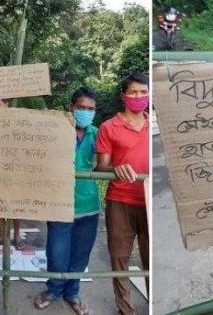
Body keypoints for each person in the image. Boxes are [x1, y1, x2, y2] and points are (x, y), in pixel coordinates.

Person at [34, 87, 100, 315]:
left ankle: (72, 292)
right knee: (56, 253)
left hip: (88, 205)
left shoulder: (97, 133)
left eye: (90, 109)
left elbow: (103, 166)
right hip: (59, 203)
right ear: (71, 108)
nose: (85, 112)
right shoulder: (56, 131)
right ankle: (53, 290)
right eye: (81, 108)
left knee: (80, 254)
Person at [95, 72, 149, 315]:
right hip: (120, 201)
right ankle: (126, 310)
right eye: (134, 92)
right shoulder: (108, 127)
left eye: (143, 92)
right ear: (123, 96)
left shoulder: (153, 124)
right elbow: (101, 167)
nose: (139, 96)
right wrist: (115, 168)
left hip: (149, 202)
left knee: (150, 259)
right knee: (119, 259)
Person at [0, 98, 25, 250]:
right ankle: (2, 234)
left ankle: (16, 235)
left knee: (16, 205)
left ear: (7, 104)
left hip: (15, 171)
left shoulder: (18, 122)